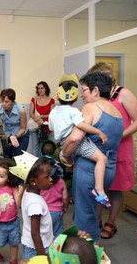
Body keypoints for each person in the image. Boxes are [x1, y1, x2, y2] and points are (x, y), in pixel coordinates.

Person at [61, 71, 123, 241]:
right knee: (92, 211)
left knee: (84, 216)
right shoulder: (117, 112)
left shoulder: (91, 107)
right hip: (108, 170)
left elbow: (75, 138)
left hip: (89, 170)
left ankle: (88, 254)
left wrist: (64, 154)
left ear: (95, 90)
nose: (81, 95)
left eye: (84, 90)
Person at [89, 63, 137, 239]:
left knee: (116, 188)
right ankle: (96, 219)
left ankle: (111, 223)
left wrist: (117, 135)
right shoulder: (97, 95)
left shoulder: (123, 94)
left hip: (120, 147)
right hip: (100, 148)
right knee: (99, 185)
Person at [49, 74, 110, 208]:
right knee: (102, 159)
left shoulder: (52, 112)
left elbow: (51, 127)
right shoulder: (74, 111)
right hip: (76, 142)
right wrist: (98, 131)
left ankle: (74, 192)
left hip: (62, 144)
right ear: (75, 98)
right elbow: (81, 126)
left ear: (58, 96)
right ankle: (99, 190)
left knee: (75, 166)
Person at [9, 152, 54, 260]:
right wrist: (42, 257)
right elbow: (35, 233)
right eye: (47, 177)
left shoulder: (28, 193)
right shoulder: (35, 204)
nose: (51, 179)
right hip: (37, 248)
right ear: (33, 181)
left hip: (33, 244)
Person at [0, 88, 29, 158]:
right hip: (9, 135)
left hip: (22, 134)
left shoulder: (21, 110)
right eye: (2, 101)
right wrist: (8, 138)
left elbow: (23, 128)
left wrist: (15, 137)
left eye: (6, 102)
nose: (3, 104)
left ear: (13, 102)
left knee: (18, 157)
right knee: (5, 156)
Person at [28, 81, 55, 157]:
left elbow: (52, 114)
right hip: (36, 126)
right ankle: (36, 165)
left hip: (47, 126)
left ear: (46, 89)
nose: (40, 90)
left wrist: (41, 117)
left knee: (48, 146)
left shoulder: (51, 100)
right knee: (35, 146)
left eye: (42, 88)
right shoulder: (34, 99)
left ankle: (48, 163)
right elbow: (31, 113)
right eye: (38, 88)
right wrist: (37, 120)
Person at [40, 169, 69, 239]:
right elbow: (65, 198)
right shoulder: (61, 181)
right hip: (57, 211)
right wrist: (65, 207)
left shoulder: (42, 183)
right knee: (57, 232)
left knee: (44, 232)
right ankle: (56, 248)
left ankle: (45, 248)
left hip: (44, 211)